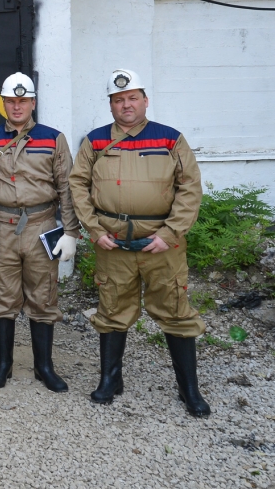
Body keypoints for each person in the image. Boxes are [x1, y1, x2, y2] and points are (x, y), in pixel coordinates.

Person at [69, 69, 209, 417]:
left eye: (132, 98)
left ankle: (188, 390)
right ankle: (110, 381)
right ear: (111, 105)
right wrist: (93, 229)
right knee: (112, 311)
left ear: (145, 101)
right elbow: (77, 186)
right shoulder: (96, 141)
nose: (126, 105)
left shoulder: (169, 139)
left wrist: (170, 233)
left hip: (161, 245)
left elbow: (189, 188)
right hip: (112, 243)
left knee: (175, 312)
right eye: (118, 100)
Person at [0, 72, 79, 393]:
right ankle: (3, 365)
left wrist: (71, 232)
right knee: (2, 297)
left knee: (43, 296)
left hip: (42, 224)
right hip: (2, 226)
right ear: (4, 103)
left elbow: (68, 187)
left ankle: (43, 367)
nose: (17, 106)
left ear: (33, 102)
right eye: (11, 101)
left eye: (23, 101)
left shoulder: (53, 139)